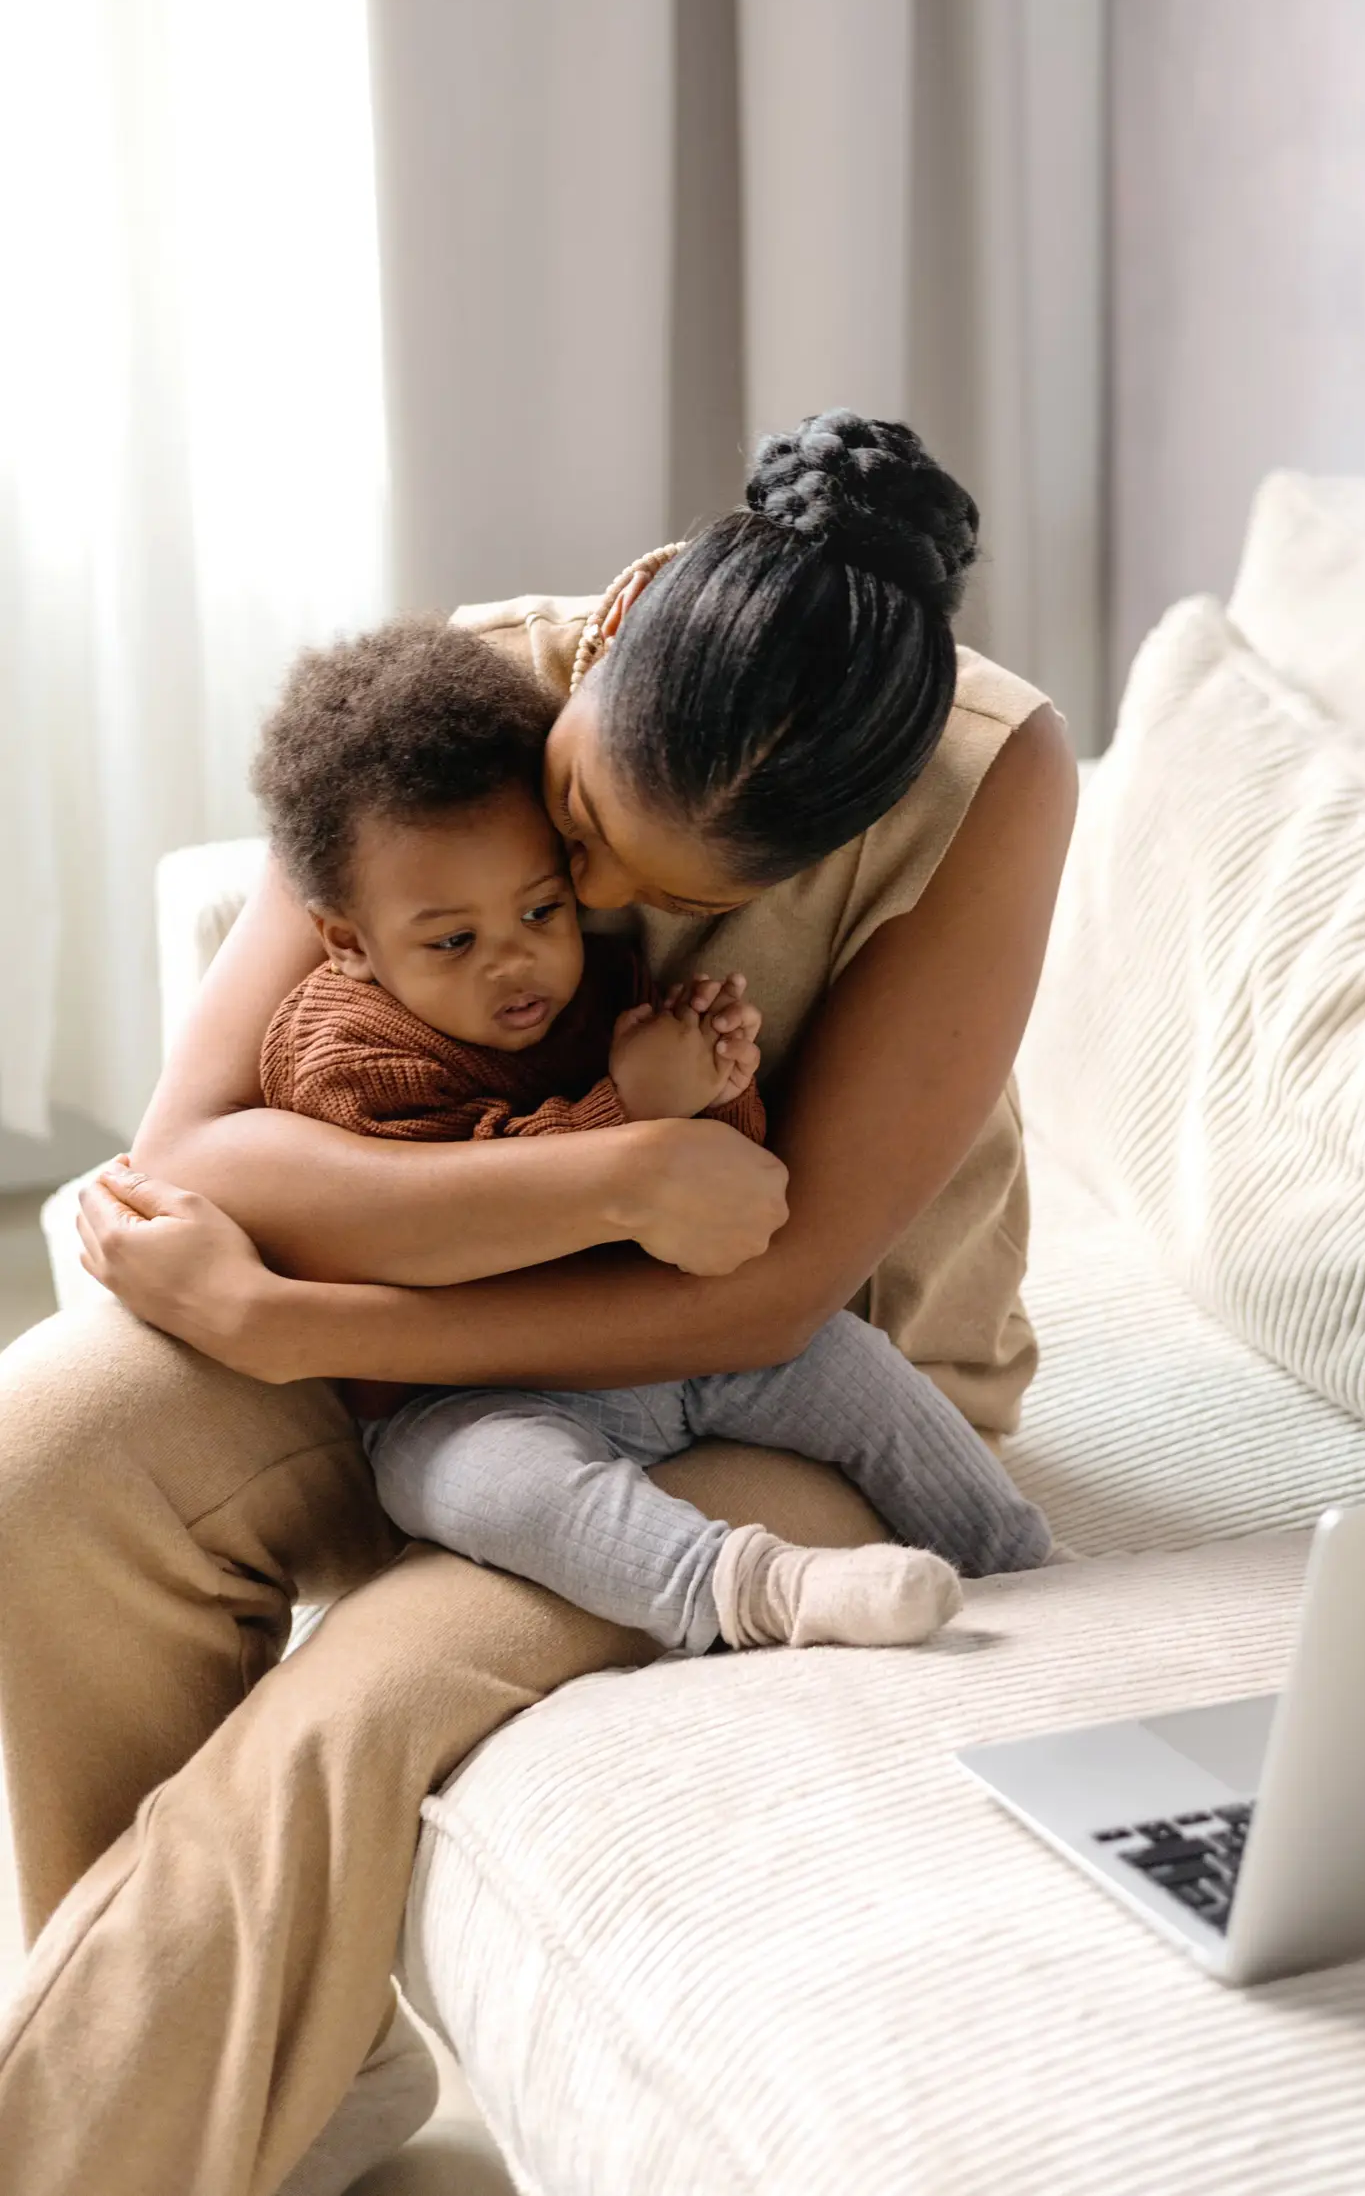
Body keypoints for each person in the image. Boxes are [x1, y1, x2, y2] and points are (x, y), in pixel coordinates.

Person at [0, 411, 1077, 2196]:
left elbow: (777, 1290)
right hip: (443, 1362)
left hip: (773, 1398)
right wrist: (613, 1176)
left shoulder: (991, 782)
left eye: (677, 906)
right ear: (628, 621)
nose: (582, 904)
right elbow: (184, 1161)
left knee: (353, 1716)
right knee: (45, 1454)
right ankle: (283, 2087)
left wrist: (306, 1328)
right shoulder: (454, 698)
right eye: (580, 819)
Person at [254, 614, 1052, 1655]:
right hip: (471, 1391)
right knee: (463, 1485)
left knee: (848, 1363)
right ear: (350, 943)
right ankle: (750, 1587)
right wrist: (632, 1116)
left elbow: (724, 1201)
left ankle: (1022, 1560)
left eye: (542, 914)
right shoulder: (346, 1051)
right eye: (454, 942)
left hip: (675, 1342)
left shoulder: (602, 993)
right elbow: (452, 1207)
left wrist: (718, 1084)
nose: (515, 963)